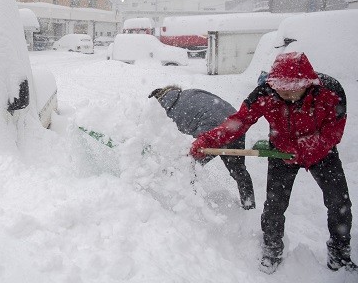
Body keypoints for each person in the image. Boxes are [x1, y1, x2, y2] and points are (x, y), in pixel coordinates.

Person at [189, 52, 355, 274]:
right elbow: (238, 121)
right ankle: (272, 249)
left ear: (307, 83)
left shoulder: (331, 91)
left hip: (322, 153)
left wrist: (304, 148)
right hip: (282, 152)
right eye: (280, 87)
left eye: (291, 88)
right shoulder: (266, 92)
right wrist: (207, 140)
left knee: (339, 203)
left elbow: (333, 132)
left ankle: (339, 255)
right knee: (274, 206)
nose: (284, 92)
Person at [148, 85, 255, 210]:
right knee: (238, 170)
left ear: (157, 103)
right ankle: (249, 205)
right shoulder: (188, 93)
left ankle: (190, 203)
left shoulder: (169, 112)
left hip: (215, 131)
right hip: (236, 123)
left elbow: (169, 141)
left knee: (187, 164)